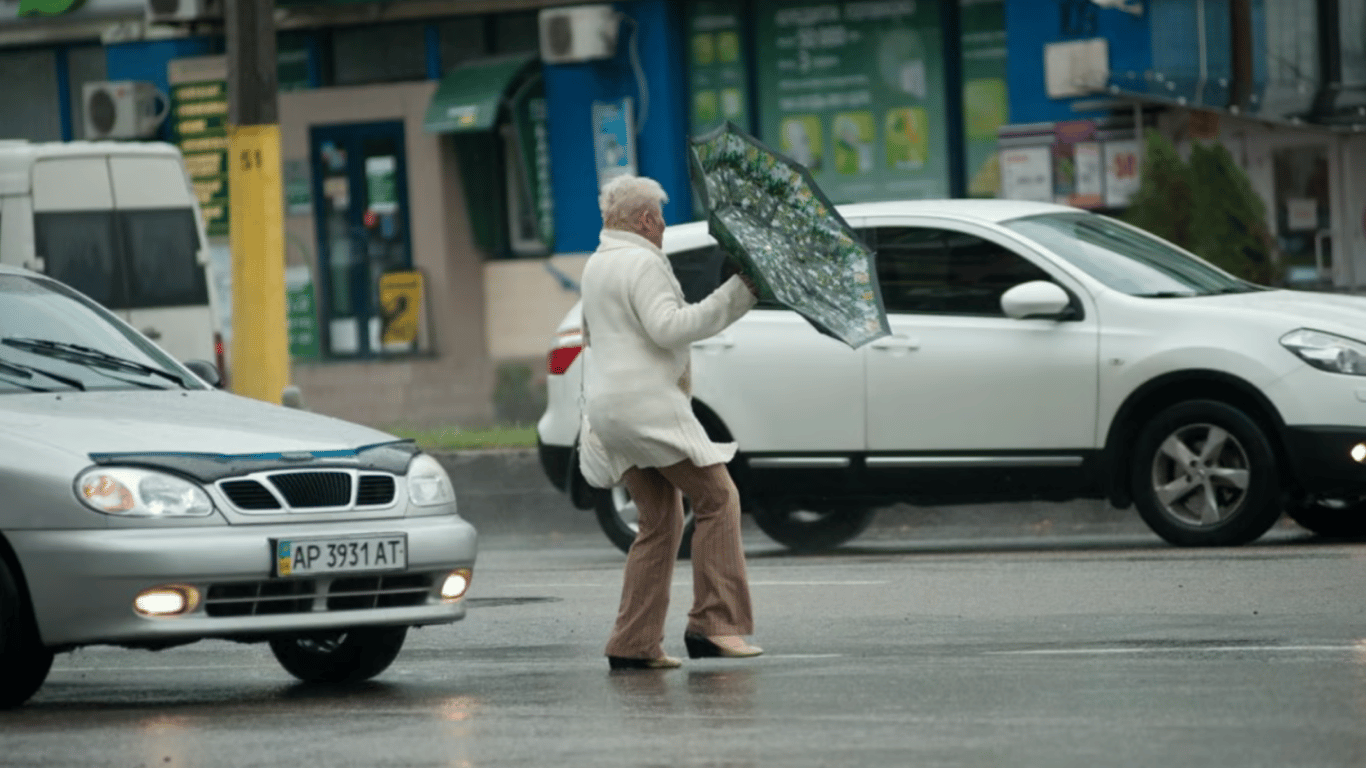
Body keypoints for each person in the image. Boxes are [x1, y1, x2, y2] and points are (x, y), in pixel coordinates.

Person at [578, 174, 762, 671]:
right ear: (645, 220)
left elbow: (592, 335)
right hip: (647, 411)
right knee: (719, 498)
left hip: (610, 412)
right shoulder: (641, 261)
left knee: (659, 522)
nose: (663, 226)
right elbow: (669, 327)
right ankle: (714, 625)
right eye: (659, 217)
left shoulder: (597, 264)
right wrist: (738, 293)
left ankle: (633, 642)